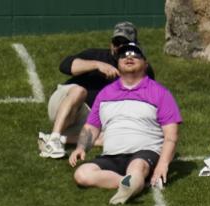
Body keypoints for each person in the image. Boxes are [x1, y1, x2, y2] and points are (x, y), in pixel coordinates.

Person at [68, 42, 181, 206]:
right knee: (82, 174)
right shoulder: (105, 93)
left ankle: (133, 182)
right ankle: (129, 183)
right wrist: (81, 147)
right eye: (123, 55)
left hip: (144, 153)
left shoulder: (160, 93)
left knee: (136, 167)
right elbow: (92, 127)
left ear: (145, 64)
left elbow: (171, 135)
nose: (129, 57)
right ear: (118, 63)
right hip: (111, 156)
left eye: (135, 54)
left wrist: (162, 165)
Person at [39, 21, 155, 159]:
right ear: (111, 44)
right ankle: (54, 139)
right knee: (79, 91)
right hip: (66, 104)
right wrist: (96, 65)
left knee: (117, 137)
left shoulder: (142, 69)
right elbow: (65, 65)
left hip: (90, 119)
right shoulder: (96, 55)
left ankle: (55, 138)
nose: (119, 47)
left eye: (125, 44)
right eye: (116, 42)